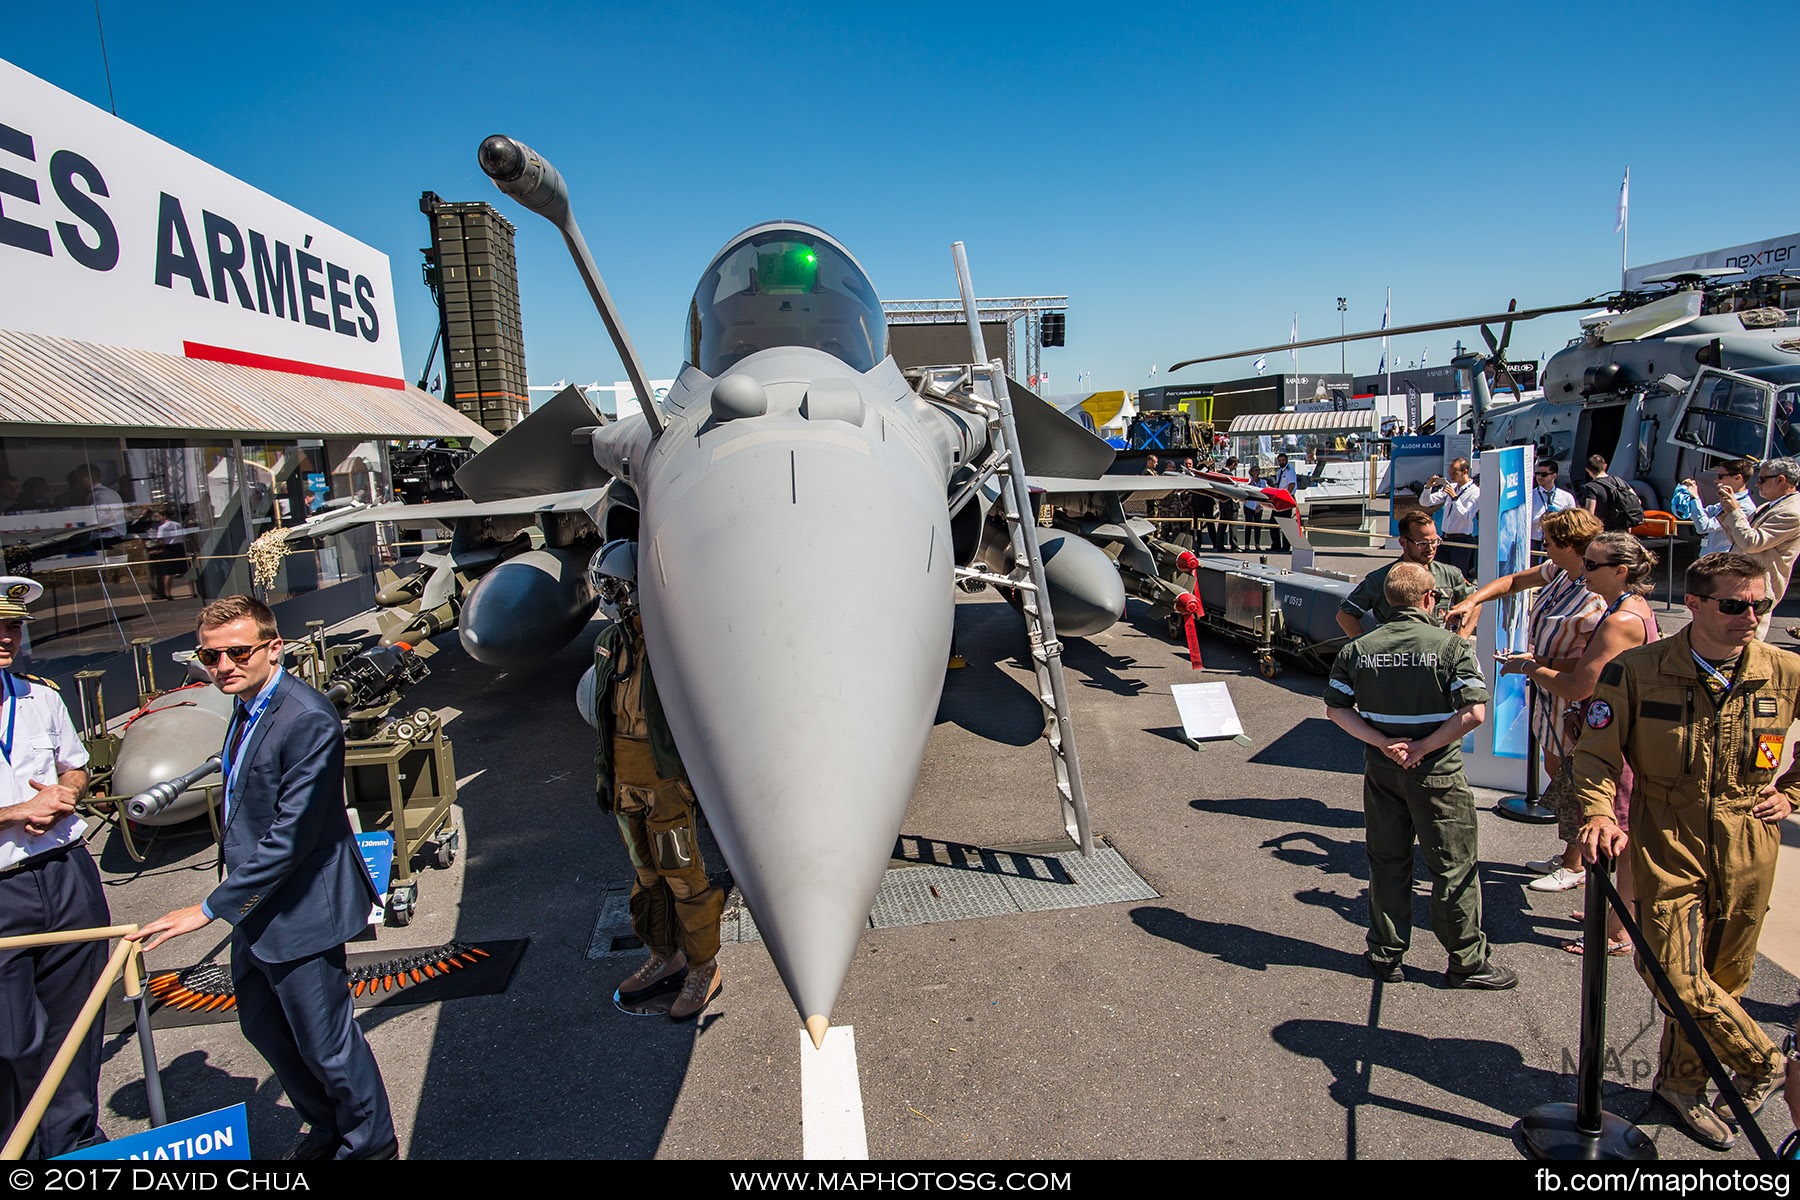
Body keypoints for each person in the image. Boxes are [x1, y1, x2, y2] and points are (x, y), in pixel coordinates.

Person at [131, 596, 396, 1160]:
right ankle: (328, 1127)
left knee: (326, 1044)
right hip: (259, 906)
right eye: (211, 655)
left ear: (274, 648)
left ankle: (371, 1145)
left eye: (237, 652)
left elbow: (291, 836)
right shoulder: (249, 704)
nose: (223, 665)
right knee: (264, 1028)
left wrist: (205, 910)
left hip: (300, 907)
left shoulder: (307, 718)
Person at [1573, 552, 1799, 1151]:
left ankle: (1681, 1086)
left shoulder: (1784, 671)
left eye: (1760, 605)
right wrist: (1598, 810)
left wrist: (1794, 791)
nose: (1750, 616)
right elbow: (1595, 752)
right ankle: (1766, 1062)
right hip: (1665, 834)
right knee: (1671, 970)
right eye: (1734, 605)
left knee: (1724, 976)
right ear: (1694, 604)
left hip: (1750, 835)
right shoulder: (1637, 670)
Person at [1324, 562, 1515, 989]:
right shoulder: (1451, 647)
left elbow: (1336, 709)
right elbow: (1474, 712)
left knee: (1388, 861)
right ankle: (1465, 961)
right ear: (1429, 599)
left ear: (1386, 602)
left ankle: (1386, 955)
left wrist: (1381, 742)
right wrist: (1424, 746)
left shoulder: (1358, 649)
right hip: (1439, 773)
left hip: (1383, 771)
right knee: (1452, 866)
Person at [1498, 531, 1659, 957]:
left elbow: (1580, 684)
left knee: (1620, 834)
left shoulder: (1622, 619)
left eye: (1591, 565)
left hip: (1622, 741)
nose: (1582, 571)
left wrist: (1530, 669)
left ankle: (1619, 931)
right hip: (1618, 732)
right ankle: (1612, 915)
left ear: (1621, 571)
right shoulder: (1625, 609)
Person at [590, 541, 726, 1023]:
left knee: (684, 880)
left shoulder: (674, 648)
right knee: (647, 877)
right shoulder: (610, 645)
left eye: (612, 586)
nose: (605, 594)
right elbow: (605, 721)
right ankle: (664, 955)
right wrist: (605, 776)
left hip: (665, 783)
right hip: (627, 784)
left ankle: (703, 968)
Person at [0, 577, 108, 1157]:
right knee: (10, 1042)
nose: (6, 638)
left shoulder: (39, 696)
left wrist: (64, 794)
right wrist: (19, 810)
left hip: (65, 871)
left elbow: (75, 766)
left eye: (13, 626)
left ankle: (72, 1142)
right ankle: (17, 1149)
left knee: (78, 1020)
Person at [1445, 511, 1608, 890]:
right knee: (1557, 771)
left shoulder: (1596, 592)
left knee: (1576, 781)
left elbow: (1595, 665)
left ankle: (1576, 863)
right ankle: (1573, 851)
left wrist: (1534, 664)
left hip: (1573, 699)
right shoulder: (1561, 571)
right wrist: (1473, 599)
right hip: (1550, 692)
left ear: (1570, 545)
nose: (1543, 548)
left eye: (1549, 542)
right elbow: (1515, 581)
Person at [1337, 509, 1477, 638]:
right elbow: (1345, 615)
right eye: (1422, 543)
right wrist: (1366, 649)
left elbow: (1475, 602)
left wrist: (1461, 639)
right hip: (1397, 654)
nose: (1431, 548)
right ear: (1403, 542)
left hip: (1436, 653)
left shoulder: (1449, 574)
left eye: (1434, 541)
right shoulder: (1380, 579)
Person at [1718, 456, 1800, 638]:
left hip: (1758, 589)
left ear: (1781, 480)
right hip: (1743, 583)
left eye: (1762, 479)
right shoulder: (1769, 506)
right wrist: (1726, 511)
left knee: (1747, 644)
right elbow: (1739, 540)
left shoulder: (1792, 512)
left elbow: (1752, 543)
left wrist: (1735, 511)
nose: (1757, 484)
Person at [1673, 459, 1757, 557]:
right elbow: (1700, 514)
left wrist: (1694, 497)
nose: (1716, 480)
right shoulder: (1725, 501)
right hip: (1710, 557)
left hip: (1723, 559)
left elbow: (1704, 526)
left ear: (1737, 478)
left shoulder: (1743, 506)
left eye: (1720, 477)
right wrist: (1686, 495)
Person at [1421, 457, 1480, 580]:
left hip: (1462, 540)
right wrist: (1428, 487)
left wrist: (1455, 498)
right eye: (1450, 472)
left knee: (1457, 576)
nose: (1451, 476)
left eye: (1455, 473)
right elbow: (1425, 502)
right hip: (1446, 537)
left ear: (1465, 472)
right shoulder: (1452, 487)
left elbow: (1466, 516)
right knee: (1437, 572)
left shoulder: (1475, 492)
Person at [1578, 454, 1642, 533]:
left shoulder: (1591, 487)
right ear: (1605, 466)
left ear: (1587, 469)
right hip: (1623, 529)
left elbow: (1590, 513)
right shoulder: (1619, 481)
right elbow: (1638, 501)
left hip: (1605, 531)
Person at [1530, 461, 1578, 553]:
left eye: (1544, 474)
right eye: (1537, 474)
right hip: (1535, 540)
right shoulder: (1530, 496)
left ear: (1554, 476)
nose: (1539, 477)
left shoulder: (1566, 497)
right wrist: (1540, 519)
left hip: (1557, 540)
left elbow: (1572, 522)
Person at [1270, 454, 1298, 552]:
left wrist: (1287, 497)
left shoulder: (1289, 471)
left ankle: (1286, 546)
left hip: (1285, 499)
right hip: (1278, 498)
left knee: (1285, 522)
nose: (1281, 462)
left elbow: (1291, 484)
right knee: (1273, 522)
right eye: (1280, 461)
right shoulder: (1280, 471)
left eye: (1283, 460)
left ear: (1286, 460)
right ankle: (1276, 545)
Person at [1242, 463, 1267, 551]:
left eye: (1258, 470)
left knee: (1258, 526)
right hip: (1249, 505)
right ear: (1251, 472)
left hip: (1258, 506)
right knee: (1248, 525)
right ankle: (1247, 545)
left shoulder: (1263, 482)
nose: (1258, 472)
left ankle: (1257, 544)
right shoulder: (1248, 482)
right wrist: (1251, 483)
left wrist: (1259, 506)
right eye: (1256, 470)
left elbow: (1264, 495)